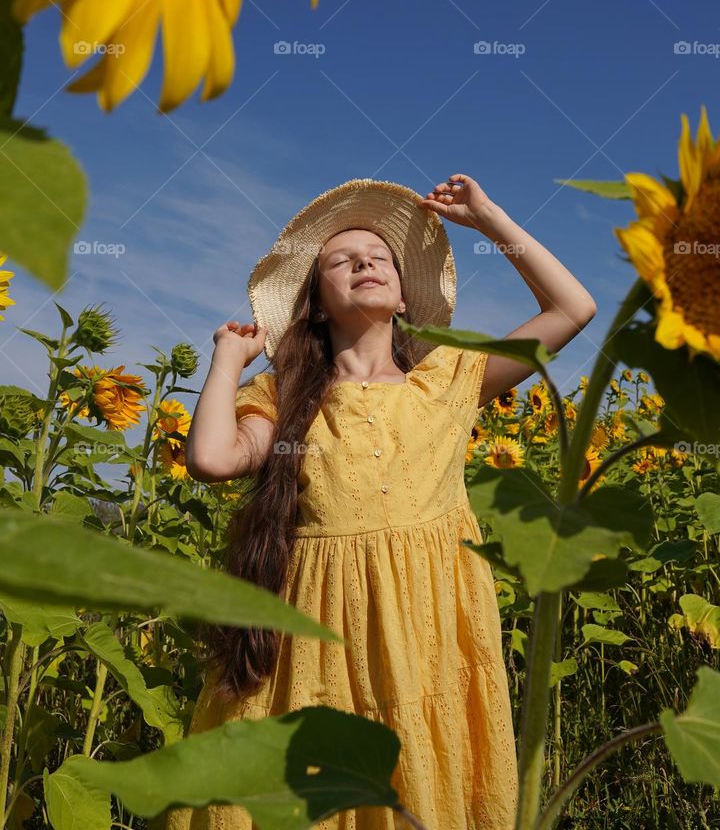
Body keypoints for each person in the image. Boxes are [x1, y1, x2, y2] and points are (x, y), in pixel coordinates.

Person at [165, 174, 597, 829]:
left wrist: (489, 219)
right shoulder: (284, 398)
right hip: (315, 632)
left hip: (425, 631)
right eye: (342, 260)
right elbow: (211, 460)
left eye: (379, 257)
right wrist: (229, 359)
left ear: (401, 294)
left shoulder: (449, 378)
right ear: (315, 302)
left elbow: (573, 309)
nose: (364, 262)